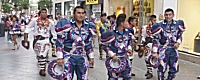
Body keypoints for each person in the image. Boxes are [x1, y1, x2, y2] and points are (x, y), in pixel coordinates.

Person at [55, 6, 96, 80]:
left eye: (83, 13)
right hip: (68, 57)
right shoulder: (66, 25)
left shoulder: (88, 26)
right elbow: (59, 42)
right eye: (79, 13)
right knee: (67, 77)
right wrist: (59, 57)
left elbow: (88, 43)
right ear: (74, 14)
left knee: (83, 78)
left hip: (82, 57)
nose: (81, 15)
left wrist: (91, 57)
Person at [150, 8, 185, 80]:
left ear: (173, 15)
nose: (168, 16)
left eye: (170, 15)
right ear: (164, 16)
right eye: (166, 15)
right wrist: (155, 52)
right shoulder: (159, 25)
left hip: (173, 50)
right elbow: (155, 40)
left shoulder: (177, 24)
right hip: (163, 50)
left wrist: (178, 42)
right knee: (161, 69)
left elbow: (180, 35)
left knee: (174, 69)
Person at [23, 9, 57, 76]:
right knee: (39, 55)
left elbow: (53, 31)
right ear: (40, 13)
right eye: (42, 12)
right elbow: (28, 28)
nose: (44, 13)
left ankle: (42, 70)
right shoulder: (34, 20)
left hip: (46, 40)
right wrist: (26, 37)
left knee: (43, 55)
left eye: (45, 12)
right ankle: (42, 66)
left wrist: (54, 39)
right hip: (37, 40)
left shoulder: (51, 22)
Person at [101, 14, 134, 80]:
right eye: (126, 21)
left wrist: (129, 49)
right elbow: (104, 45)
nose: (127, 23)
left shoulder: (128, 33)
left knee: (127, 77)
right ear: (121, 23)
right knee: (113, 78)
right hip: (114, 60)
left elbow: (129, 42)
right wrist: (112, 55)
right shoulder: (111, 34)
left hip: (125, 58)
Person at [141, 15, 157, 79]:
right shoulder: (145, 27)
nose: (155, 22)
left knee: (152, 58)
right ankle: (149, 71)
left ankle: (150, 71)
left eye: (155, 20)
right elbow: (143, 36)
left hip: (154, 44)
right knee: (147, 58)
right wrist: (143, 44)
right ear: (150, 20)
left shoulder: (157, 28)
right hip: (147, 44)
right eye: (154, 20)